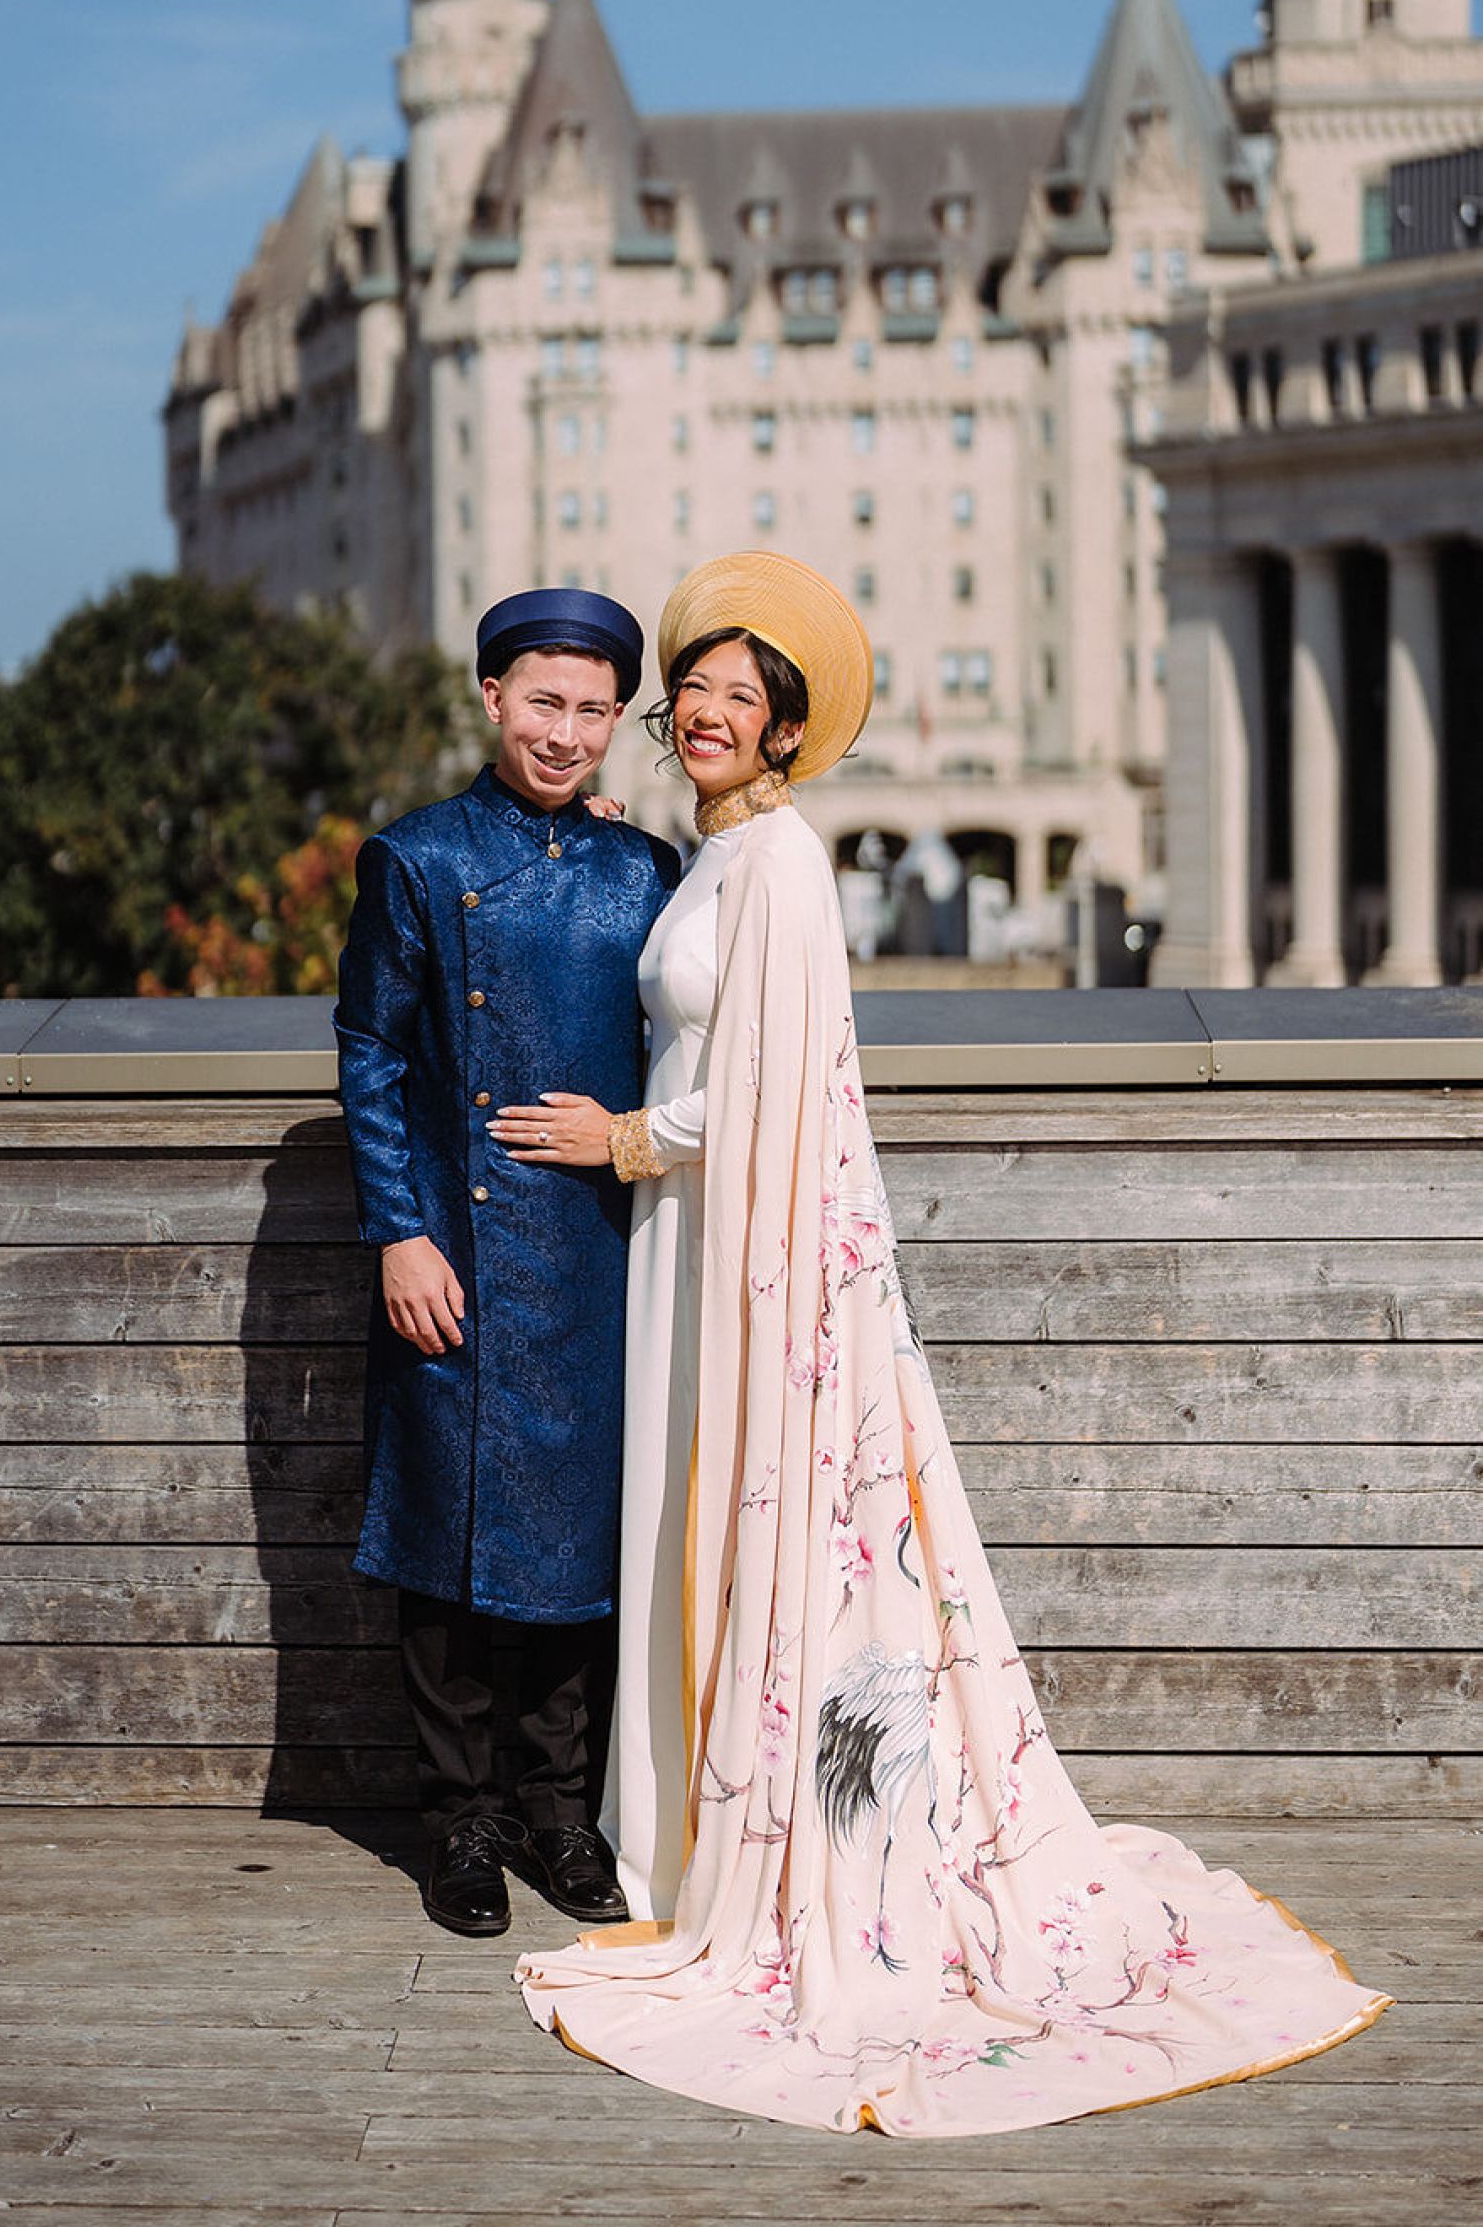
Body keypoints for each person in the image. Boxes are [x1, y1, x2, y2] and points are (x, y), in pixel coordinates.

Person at [500, 552, 1389, 2136]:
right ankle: (678, 1840)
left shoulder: (777, 866)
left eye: (739, 702)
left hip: (727, 1235)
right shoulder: (703, 858)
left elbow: (776, 1088)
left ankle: (733, 1850)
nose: (706, 715)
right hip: (683, 1247)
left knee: (723, 1523)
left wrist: (626, 1137)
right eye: (693, 691)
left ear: (783, 734)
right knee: (674, 1531)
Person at [335, 587, 680, 1941]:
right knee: (448, 1549)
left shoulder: (644, 869)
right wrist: (400, 1232)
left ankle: (558, 1809)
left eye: (594, 711)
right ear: (492, 700)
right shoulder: (415, 859)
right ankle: (460, 1826)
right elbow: (369, 1053)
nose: (567, 732)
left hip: (598, 1260)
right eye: (545, 702)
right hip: (461, 1256)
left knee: (583, 1549)